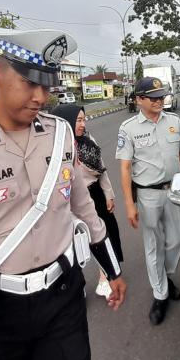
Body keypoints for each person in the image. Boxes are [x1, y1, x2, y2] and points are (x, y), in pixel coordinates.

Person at [0, 28, 126, 360]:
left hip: (64, 296)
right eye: (30, 83)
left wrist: (113, 269)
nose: (40, 97)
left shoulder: (59, 135)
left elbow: (84, 209)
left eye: (47, 85)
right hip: (0, 309)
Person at [116, 76, 180, 326]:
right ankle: (160, 294)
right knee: (153, 245)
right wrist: (129, 204)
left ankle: (166, 277)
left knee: (176, 240)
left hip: (174, 190)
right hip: (148, 195)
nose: (160, 101)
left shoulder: (174, 121)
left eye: (162, 96)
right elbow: (125, 169)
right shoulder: (128, 129)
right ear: (139, 100)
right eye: (154, 97)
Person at [52, 104, 124, 299]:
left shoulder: (88, 140)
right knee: (72, 244)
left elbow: (102, 169)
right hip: (67, 201)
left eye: (84, 119)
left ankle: (105, 277)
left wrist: (108, 194)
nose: (84, 124)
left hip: (95, 194)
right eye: (79, 120)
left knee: (103, 235)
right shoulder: (55, 145)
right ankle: (77, 284)